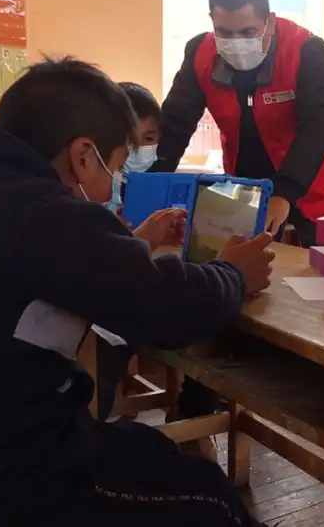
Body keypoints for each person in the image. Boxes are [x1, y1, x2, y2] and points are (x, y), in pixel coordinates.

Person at [0, 57, 276, 526]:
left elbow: (70, 272)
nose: (116, 184)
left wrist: (134, 246)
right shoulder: (40, 211)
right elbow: (167, 309)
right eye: (115, 168)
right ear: (83, 155)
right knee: (210, 499)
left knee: (147, 450)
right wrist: (234, 272)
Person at [155, 0, 324, 248]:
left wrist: (284, 193)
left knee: (316, 277)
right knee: (241, 266)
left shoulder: (307, 51)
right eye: (224, 32)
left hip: (309, 181)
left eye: (247, 32)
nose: (236, 41)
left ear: (269, 22)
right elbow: (175, 123)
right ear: (212, 22)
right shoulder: (199, 54)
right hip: (245, 186)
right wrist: (153, 182)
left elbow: (320, 124)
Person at [95, 82, 224, 460]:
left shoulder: (143, 182)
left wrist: (141, 237)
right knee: (198, 309)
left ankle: (191, 411)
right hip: (109, 316)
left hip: (125, 291)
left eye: (150, 138)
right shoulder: (92, 188)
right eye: (130, 144)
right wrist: (138, 240)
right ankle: (191, 417)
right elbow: (105, 261)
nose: (139, 151)